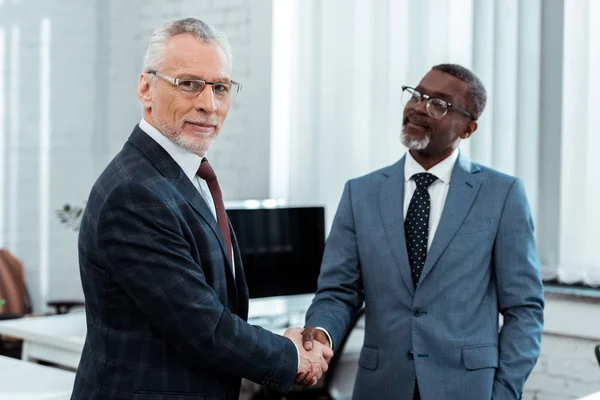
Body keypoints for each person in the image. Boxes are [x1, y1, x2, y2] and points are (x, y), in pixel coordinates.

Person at [71, 18, 331, 400]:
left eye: (220, 88)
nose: (208, 104)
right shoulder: (135, 193)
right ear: (146, 88)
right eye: (189, 83)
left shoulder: (186, 175)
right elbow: (203, 327)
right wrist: (291, 356)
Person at [297, 64, 544, 399]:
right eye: (416, 94)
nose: (418, 107)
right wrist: (323, 333)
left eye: (438, 104)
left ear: (468, 128)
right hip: (381, 386)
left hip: (468, 389)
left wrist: (503, 392)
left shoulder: (502, 195)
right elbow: (338, 291)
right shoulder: (361, 193)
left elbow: (524, 310)